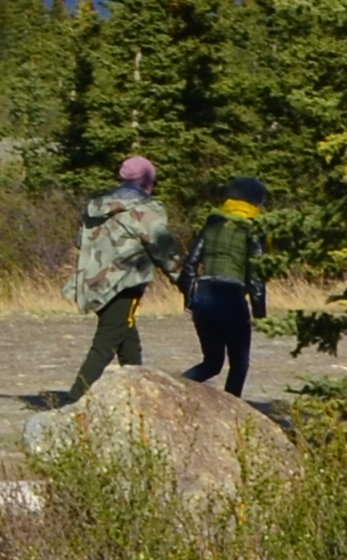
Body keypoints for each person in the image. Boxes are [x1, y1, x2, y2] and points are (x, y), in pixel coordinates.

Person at [52, 156, 176, 405]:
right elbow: (162, 248)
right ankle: (74, 400)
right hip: (125, 283)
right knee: (106, 342)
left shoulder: (98, 206)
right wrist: (183, 279)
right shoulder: (146, 210)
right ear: (148, 182)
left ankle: (137, 395)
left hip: (94, 281)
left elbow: (80, 241)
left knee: (127, 337)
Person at [178, 177, 273, 399]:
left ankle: (173, 390)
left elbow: (189, 265)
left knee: (211, 363)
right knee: (239, 364)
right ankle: (232, 410)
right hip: (231, 297)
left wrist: (190, 300)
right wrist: (260, 314)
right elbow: (256, 276)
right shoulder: (254, 228)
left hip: (204, 296)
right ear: (256, 201)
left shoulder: (213, 223)